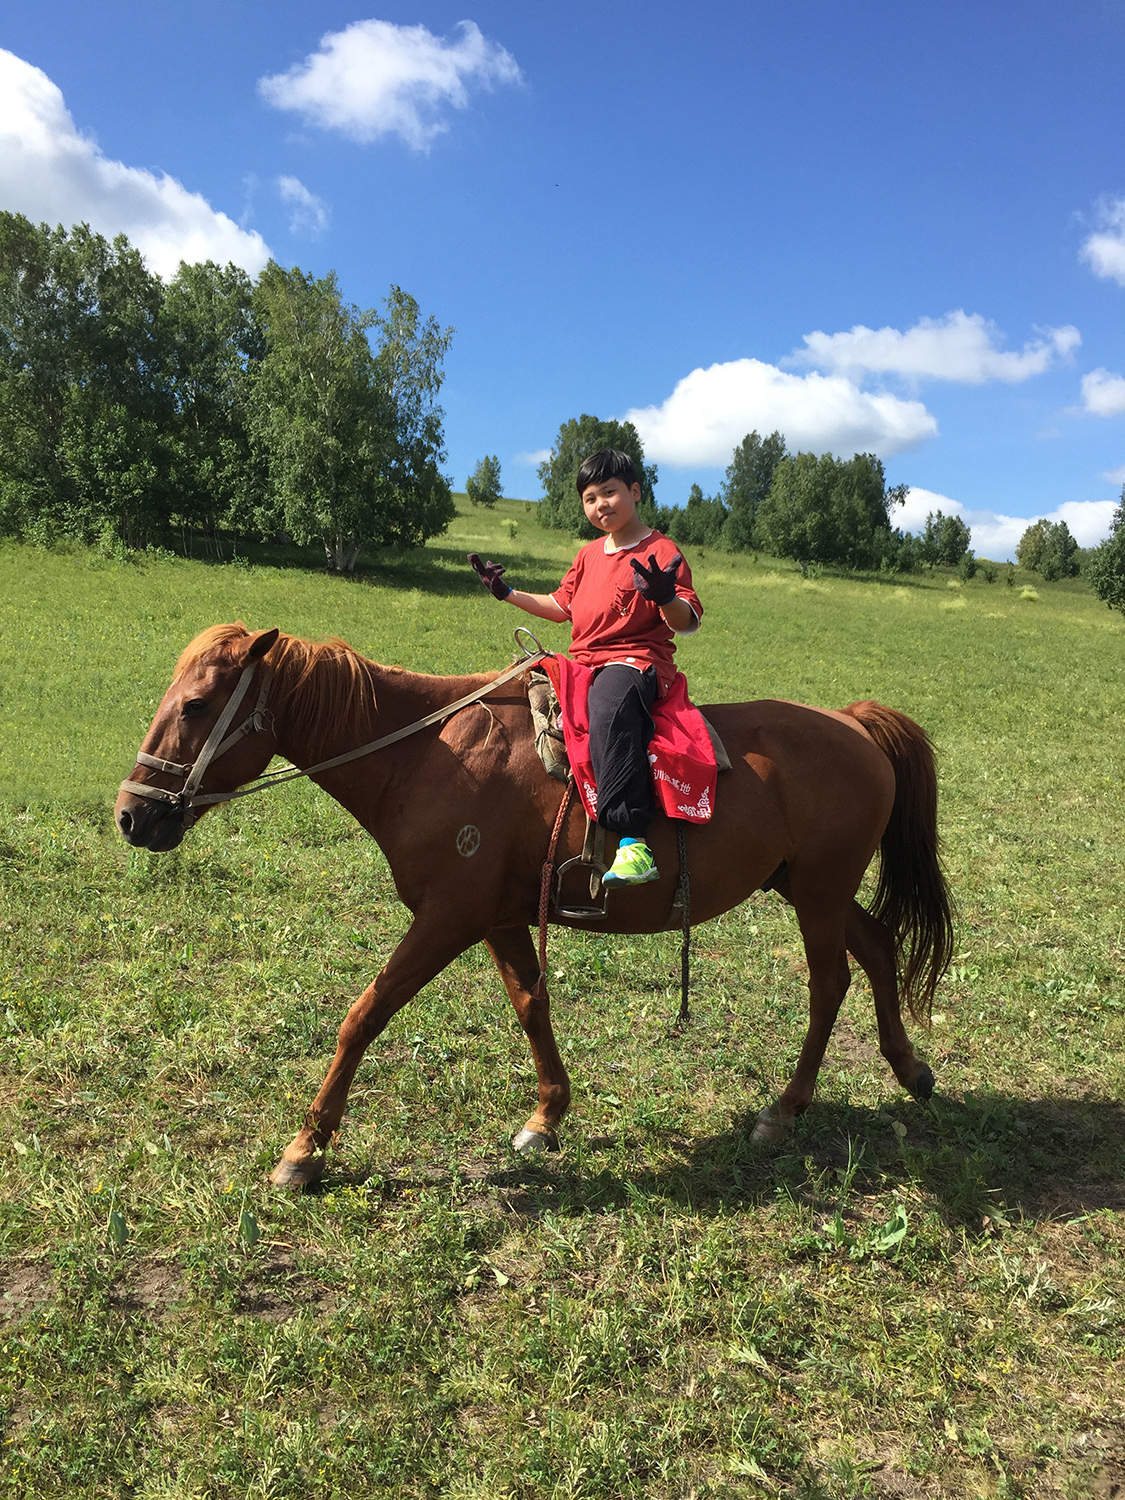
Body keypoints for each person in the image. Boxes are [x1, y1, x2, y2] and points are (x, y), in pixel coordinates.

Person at [469, 448, 702, 886]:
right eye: (590, 498)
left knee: (610, 707)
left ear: (635, 491)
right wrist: (508, 593)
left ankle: (634, 842)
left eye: (609, 493)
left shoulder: (661, 549)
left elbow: (686, 620)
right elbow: (561, 606)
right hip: (584, 661)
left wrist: (665, 596)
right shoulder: (589, 554)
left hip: (634, 660)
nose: (600, 505)